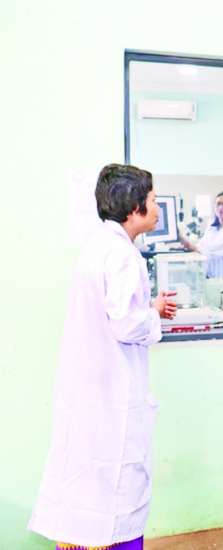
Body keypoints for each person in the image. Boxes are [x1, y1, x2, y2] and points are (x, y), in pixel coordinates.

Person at [28, 164, 177, 550]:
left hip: (91, 392)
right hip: (112, 398)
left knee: (83, 499)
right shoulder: (123, 254)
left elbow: (115, 312)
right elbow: (127, 324)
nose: (157, 207)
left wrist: (149, 309)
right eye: (153, 200)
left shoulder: (98, 246)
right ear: (134, 207)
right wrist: (153, 316)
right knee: (115, 497)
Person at [181, 190, 223, 283]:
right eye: (218, 204)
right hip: (216, 281)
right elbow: (202, 245)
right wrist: (187, 246)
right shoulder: (212, 227)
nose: (220, 208)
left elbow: (210, 250)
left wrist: (184, 241)